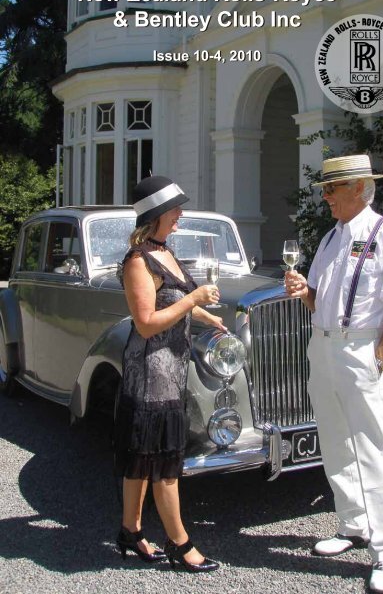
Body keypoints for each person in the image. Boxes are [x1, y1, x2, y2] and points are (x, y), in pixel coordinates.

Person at [285, 155, 383, 594]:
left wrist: (378, 360)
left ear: (359, 188)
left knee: (372, 448)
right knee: (334, 439)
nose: (325, 197)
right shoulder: (329, 239)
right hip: (321, 346)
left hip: (359, 350)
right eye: (324, 189)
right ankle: (352, 525)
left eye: (332, 189)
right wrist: (305, 291)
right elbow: (319, 299)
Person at [114, 175, 226, 572]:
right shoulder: (137, 261)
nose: (180, 214)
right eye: (175, 209)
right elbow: (145, 322)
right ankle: (180, 543)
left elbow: (177, 300)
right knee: (164, 464)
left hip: (170, 371)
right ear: (157, 215)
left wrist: (207, 315)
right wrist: (195, 298)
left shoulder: (165, 252)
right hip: (150, 375)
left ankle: (131, 530)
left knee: (142, 459)